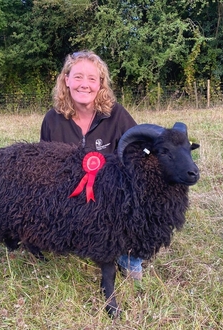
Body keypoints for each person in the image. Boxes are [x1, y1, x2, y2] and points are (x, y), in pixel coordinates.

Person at [40, 50, 143, 280]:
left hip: (110, 201)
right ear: (66, 80)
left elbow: (139, 156)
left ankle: (127, 254)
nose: (84, 84)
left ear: (101, 84)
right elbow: (44, 168)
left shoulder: (117, 115)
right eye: (77, 77)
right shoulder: (52, 119)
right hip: (69, 199)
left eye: (92, 78)